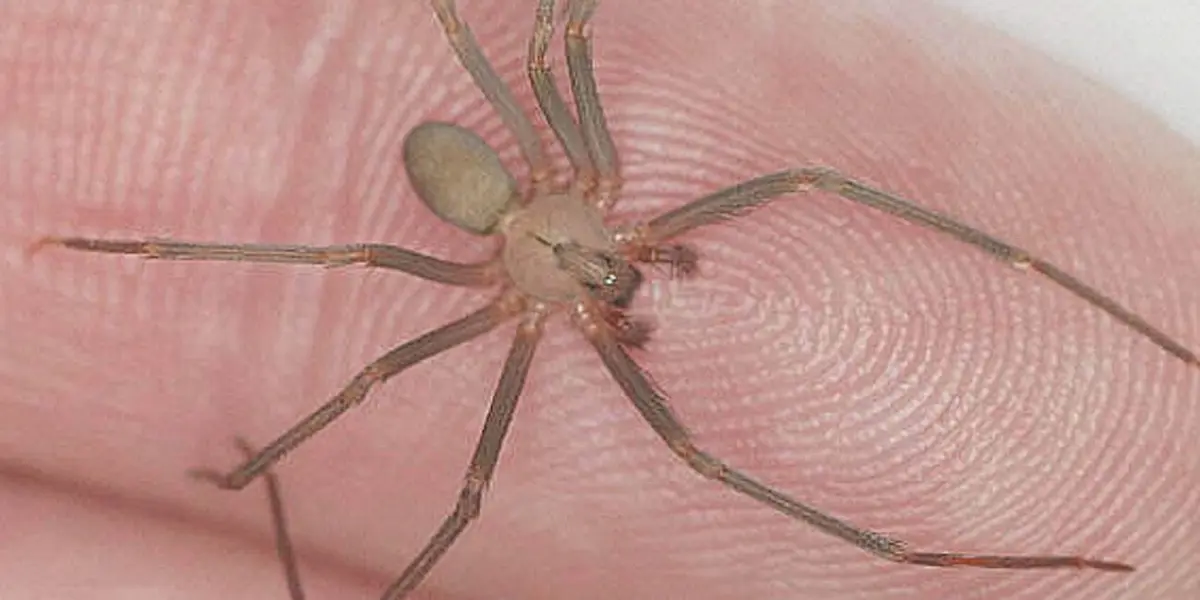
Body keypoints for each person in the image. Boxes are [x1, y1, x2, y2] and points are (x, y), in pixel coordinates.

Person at [4, 1, 1197, 598]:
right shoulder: (531, 267)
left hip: (524, 208)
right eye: (606, 270)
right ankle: (908, 553)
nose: (613, 273)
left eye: (609, 269)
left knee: (804, 175)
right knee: (399, 370)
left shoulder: (594, 200)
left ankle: (923, 532)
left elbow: (560, 33)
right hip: (490, 226)